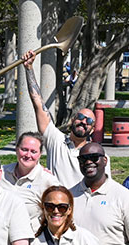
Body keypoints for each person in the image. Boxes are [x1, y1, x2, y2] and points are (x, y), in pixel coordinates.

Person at [21, 49, 110, 188]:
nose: (84, 122)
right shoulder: (55, 140)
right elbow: (37, 102)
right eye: (80, 117)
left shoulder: (99, 155)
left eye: (89, 121)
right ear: (73, 120)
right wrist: (29, 68)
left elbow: (105, 186)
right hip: (56, 205)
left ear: (92, 130)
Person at [0, 131, 60, 232]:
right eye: (24, 149)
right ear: (16, 149)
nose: (28, 155)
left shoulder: (47, 181)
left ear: (40, 154)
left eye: (33, 151)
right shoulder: (0, 173)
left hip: (30, 239)